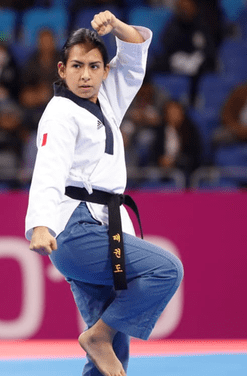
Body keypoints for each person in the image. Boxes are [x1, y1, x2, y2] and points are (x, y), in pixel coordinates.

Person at [26, 11, 183, 376]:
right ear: (62, 70)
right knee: (166, 270)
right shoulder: (60, 113)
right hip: (75, 227)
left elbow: (132, 57)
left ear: (103, 71)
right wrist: (40, 224)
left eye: (94, 66)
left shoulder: (105, 99)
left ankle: (101, 339)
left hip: (106, 225)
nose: (85, 75)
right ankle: (98, 336)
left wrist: (116, 28)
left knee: (112, 355)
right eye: (77, 66)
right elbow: (49, 167)